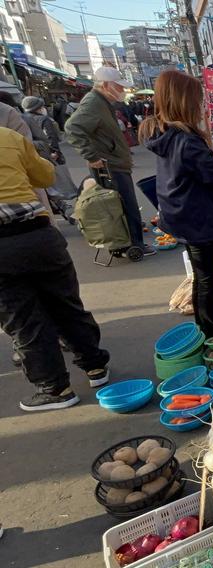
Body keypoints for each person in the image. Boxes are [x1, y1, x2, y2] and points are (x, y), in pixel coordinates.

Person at [0, 126, 111, 411]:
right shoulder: (8, 136)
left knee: (25, 321)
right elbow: (45, 175)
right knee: (66, 304)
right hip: (38, 235)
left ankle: (55, 389)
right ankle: (95, 367)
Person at [140, 70, 213, 337]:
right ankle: (212, 334)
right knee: (209, 279)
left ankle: (207, 329)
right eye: (198, 99)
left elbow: (208, 171)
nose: (201, 105)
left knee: (203, 276)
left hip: (183, 213)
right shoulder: (185, 140)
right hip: (198, 218)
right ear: (185, 101)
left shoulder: (167, 134)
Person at [66, 66, 154, 256]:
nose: (122, 91)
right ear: (105, 85)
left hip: (114, 161)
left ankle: (126, 241)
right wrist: (92, 155)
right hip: (110, 165)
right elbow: (72, 127)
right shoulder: (93, 103)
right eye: (119, 87)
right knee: (124, 205)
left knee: (120, 205)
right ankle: (132, 244)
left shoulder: (102, 102)